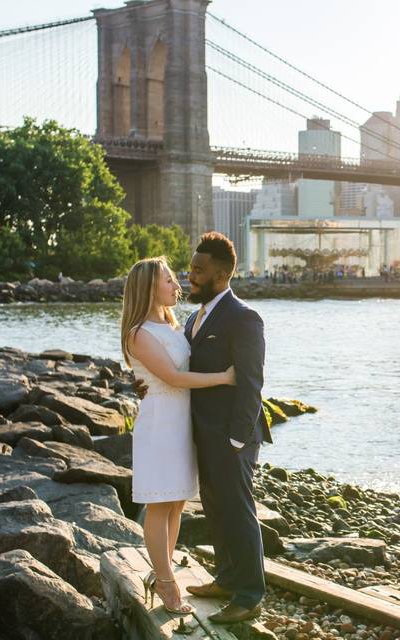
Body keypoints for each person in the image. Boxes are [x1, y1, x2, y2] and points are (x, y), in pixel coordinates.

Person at [136, 233, 270, 624]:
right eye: (190, 268)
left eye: (199, 270)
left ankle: (249, 594)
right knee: (215, 508)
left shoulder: (244, 317)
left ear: (223, 273)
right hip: (200, 433)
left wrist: (236, 436)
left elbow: (250, 382)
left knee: (238, 510)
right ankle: (227, 578)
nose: (189, 276)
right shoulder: (194, 317)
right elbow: (172, 368)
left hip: (232, 435)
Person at [121, 256, 237, 615]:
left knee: (177, 503)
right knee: (159, 504)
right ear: (149, 288)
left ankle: (164, 572)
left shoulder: (172, 324)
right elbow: (171, 377)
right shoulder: (139, 332)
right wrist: (224, 377)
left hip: (181, 422)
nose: (178, 285)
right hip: (160, 423)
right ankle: (167, 584)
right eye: (169, 281)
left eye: (174, 280)